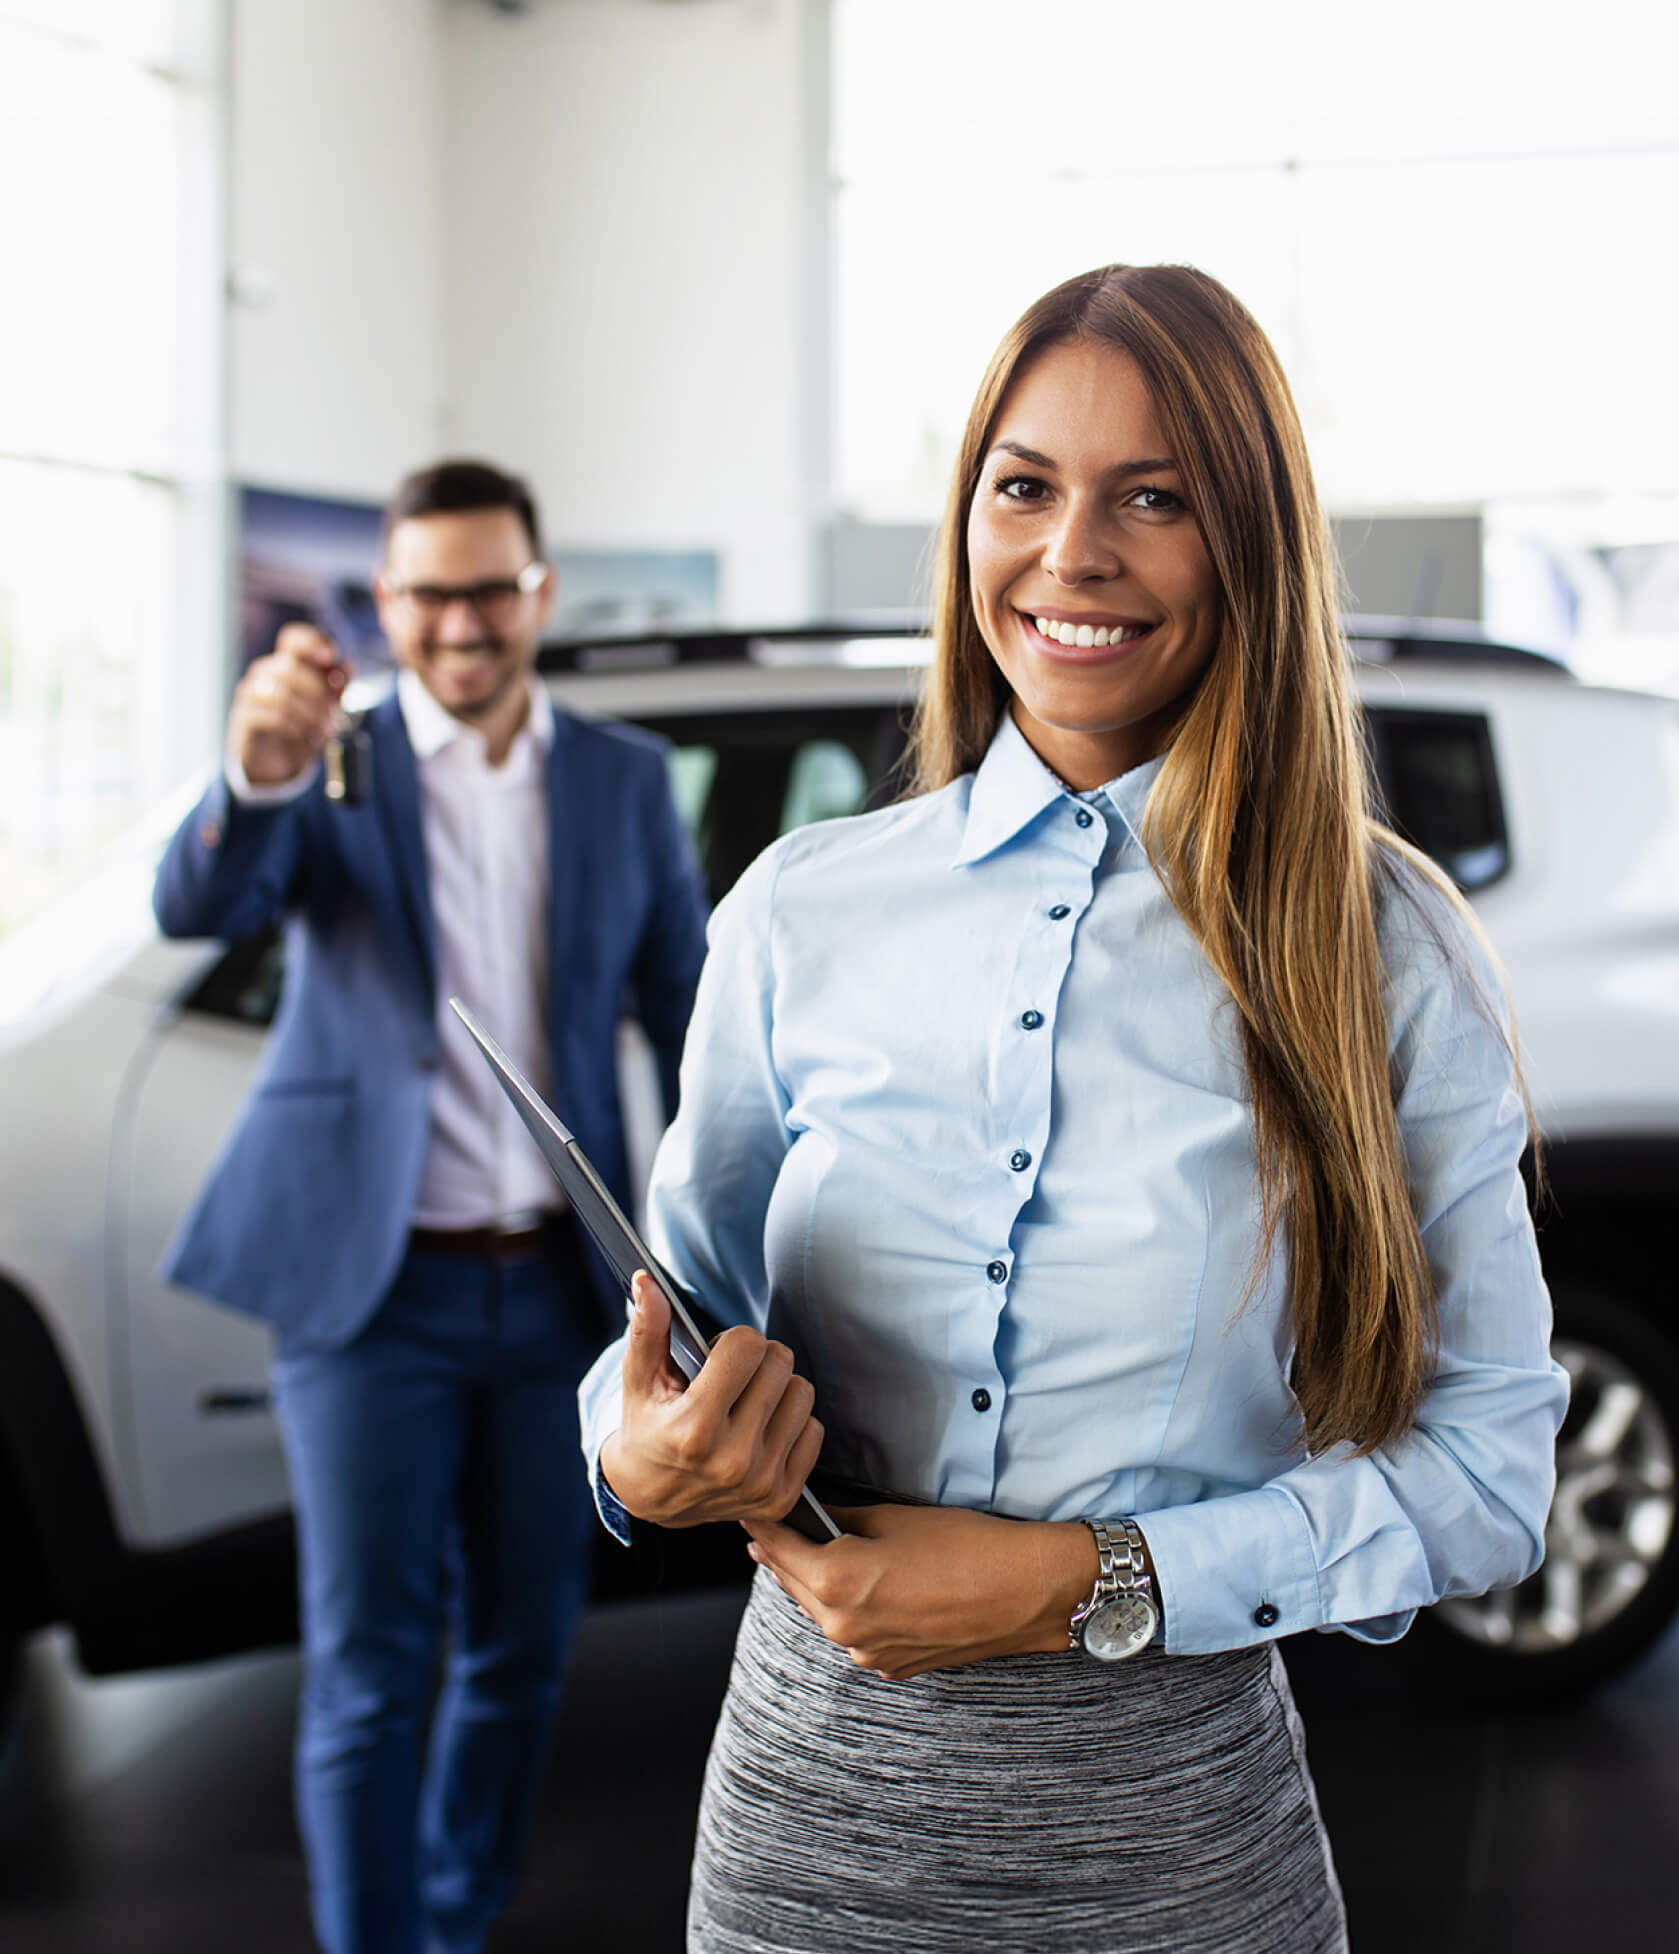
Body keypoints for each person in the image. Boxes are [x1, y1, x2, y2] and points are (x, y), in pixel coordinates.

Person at [580, 266, 1570, 1954]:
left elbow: (1488, 1472)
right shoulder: (800, 910)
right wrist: (639, 1447)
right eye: (1023, 484)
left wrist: (1083, 1585)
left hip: (1178, 1859)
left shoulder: (1384, 951)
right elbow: (664, 1325)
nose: (1072, 553)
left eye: (1156, 497)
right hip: (805, 1845)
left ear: (1249, 538)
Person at [152, 459, 710, 1954]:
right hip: (369, 1294)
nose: (460, 622)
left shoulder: (622, 780)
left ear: (536, 592)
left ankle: (454, 1920)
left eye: (488, 587)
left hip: (557, 1302)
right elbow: (197, 906)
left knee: (526, 1648)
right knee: (367, 1663)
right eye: (427, 593)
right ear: (386, 605)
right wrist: (254, 773)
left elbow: (695, 1021)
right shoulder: (328, 763)